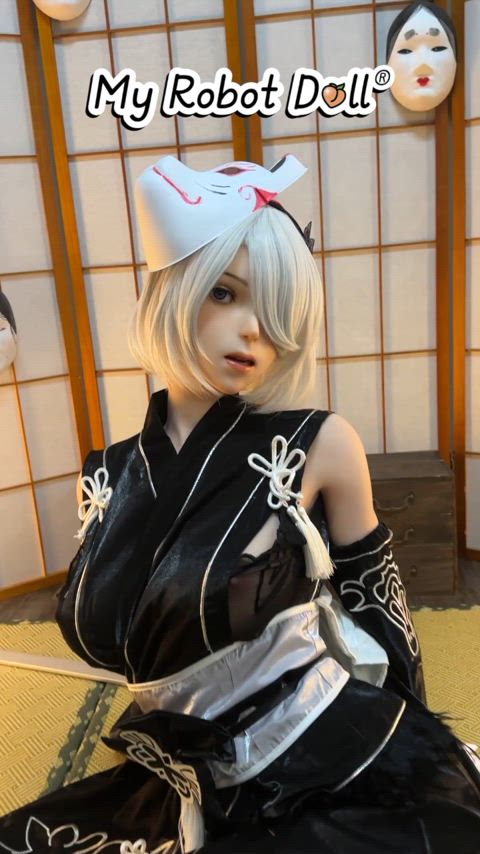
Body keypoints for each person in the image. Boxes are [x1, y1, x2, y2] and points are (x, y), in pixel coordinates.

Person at [0, 154, 479, 854]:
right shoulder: (109, 472)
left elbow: (379, 602)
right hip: (185, 774)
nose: (255, 329)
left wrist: (417, 755)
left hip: (323, 752)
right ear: (173, 289)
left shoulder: (320, 443)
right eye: (225, 293)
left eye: (277, 310)